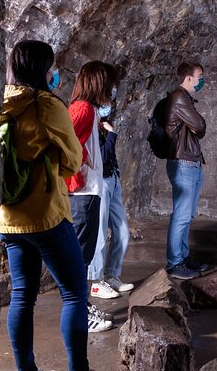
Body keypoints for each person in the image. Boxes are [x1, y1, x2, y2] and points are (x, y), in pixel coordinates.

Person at [0, 40, 89, 370]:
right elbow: (73, 160)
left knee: (22, 295)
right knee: (76, 294)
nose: (55, 73)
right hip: (46, 214)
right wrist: (55, 164)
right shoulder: (46, 105)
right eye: (52, 66)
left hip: (8, 218)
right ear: (41, 69)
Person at [66, 60, 115, 332]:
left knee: (82, 256)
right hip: (82, 193)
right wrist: (81, 168)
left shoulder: (90, 111)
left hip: (88, 190)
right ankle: (79, 313)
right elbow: (64, 141)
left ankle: (81, 307)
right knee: (79, 257)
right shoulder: (83, 109)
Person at [87, 63, 134, 296]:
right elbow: (101, 156)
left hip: (112, 178)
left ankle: (111, 275)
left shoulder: (101, 117)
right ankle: (96, 283)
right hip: (100, 181)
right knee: (98, 236)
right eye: (112, 88)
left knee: (122, 231)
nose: (114, 92)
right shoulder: (88, 116)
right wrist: (112, 135)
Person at [163, 61, 210, 279]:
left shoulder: (185, 98)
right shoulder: (179, 97)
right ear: (188, 78)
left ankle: (183, 257)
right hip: (183, 162)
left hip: (190, 161)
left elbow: (198, 129)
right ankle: (174, 263)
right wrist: (197, 123)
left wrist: (196, 125)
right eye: (199, 77)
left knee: (187, 215)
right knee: (181, 215)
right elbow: (199, 126)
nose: (201, 81)